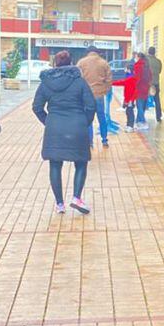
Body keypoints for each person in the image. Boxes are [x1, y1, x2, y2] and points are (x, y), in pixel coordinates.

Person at [33, 51, 97, 215]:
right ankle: (76, 197)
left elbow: (37, 107)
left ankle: (59, 204)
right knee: (81, 162)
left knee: (55, 164)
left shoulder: (46, 83)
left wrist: (48, 121)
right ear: (71, 63)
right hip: (77, 127)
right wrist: (85, 122)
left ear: (55, 64)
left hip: (55, 128)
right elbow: (91, 105)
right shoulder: (80, 82)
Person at [76, 46, 112, 148]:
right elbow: (109, 80)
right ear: (97, 52)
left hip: (86, 95)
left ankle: (90, 142)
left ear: (88, 52)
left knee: (88, 119)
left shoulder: (81, 63)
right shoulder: (104, 63)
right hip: (99, 95)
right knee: (102, 118)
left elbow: (77, 78)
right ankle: (104, 140)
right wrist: (104, 90)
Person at [133, 53, 151, 130]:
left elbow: (137, 78)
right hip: (146, 88)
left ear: (138, 57)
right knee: (142, 105)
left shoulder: (137, 66)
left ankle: (143, 121)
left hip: (139, 88)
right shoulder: (147, 65)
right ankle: (137, 121)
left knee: (139, 106)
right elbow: (150, 76)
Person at [146, 46, 163, 122]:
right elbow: (159, 71)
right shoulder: (158, 61)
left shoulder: (146, 60)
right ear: (154, 52)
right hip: (156, 83)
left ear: (148, 52)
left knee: (143, 99)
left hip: (147, 83)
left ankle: (141, 117)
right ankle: (158, 116)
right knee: (157, 100)